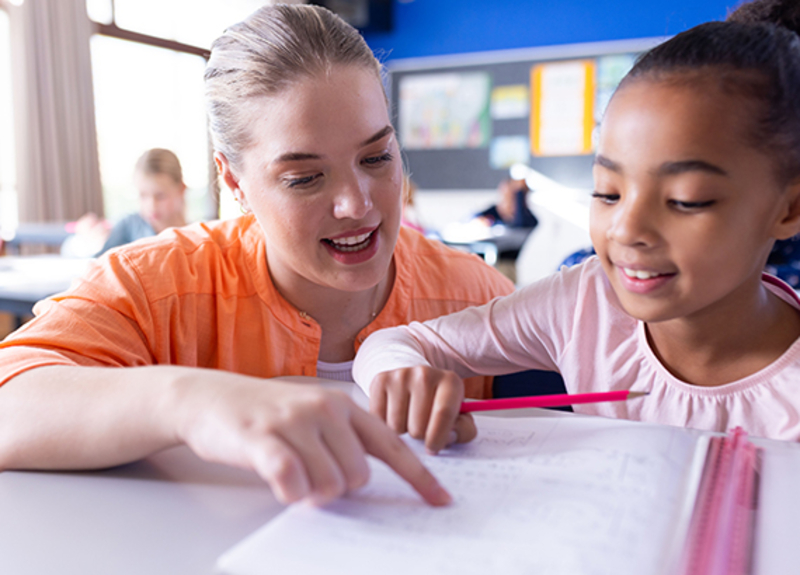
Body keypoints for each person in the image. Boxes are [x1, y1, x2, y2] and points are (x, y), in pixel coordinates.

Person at [0, 5, 513, 506]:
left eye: (377, 157)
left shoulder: (476, 297)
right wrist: (197, 403)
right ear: (233, 181)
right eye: (304, 178)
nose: (357, 204)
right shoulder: (157, 287)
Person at [352, 0, 800, 453]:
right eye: (608, 192)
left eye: (685, 200)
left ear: (789, 208)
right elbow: (393, 342)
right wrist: (401, 377)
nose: (627, 229)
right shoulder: (585, 303)